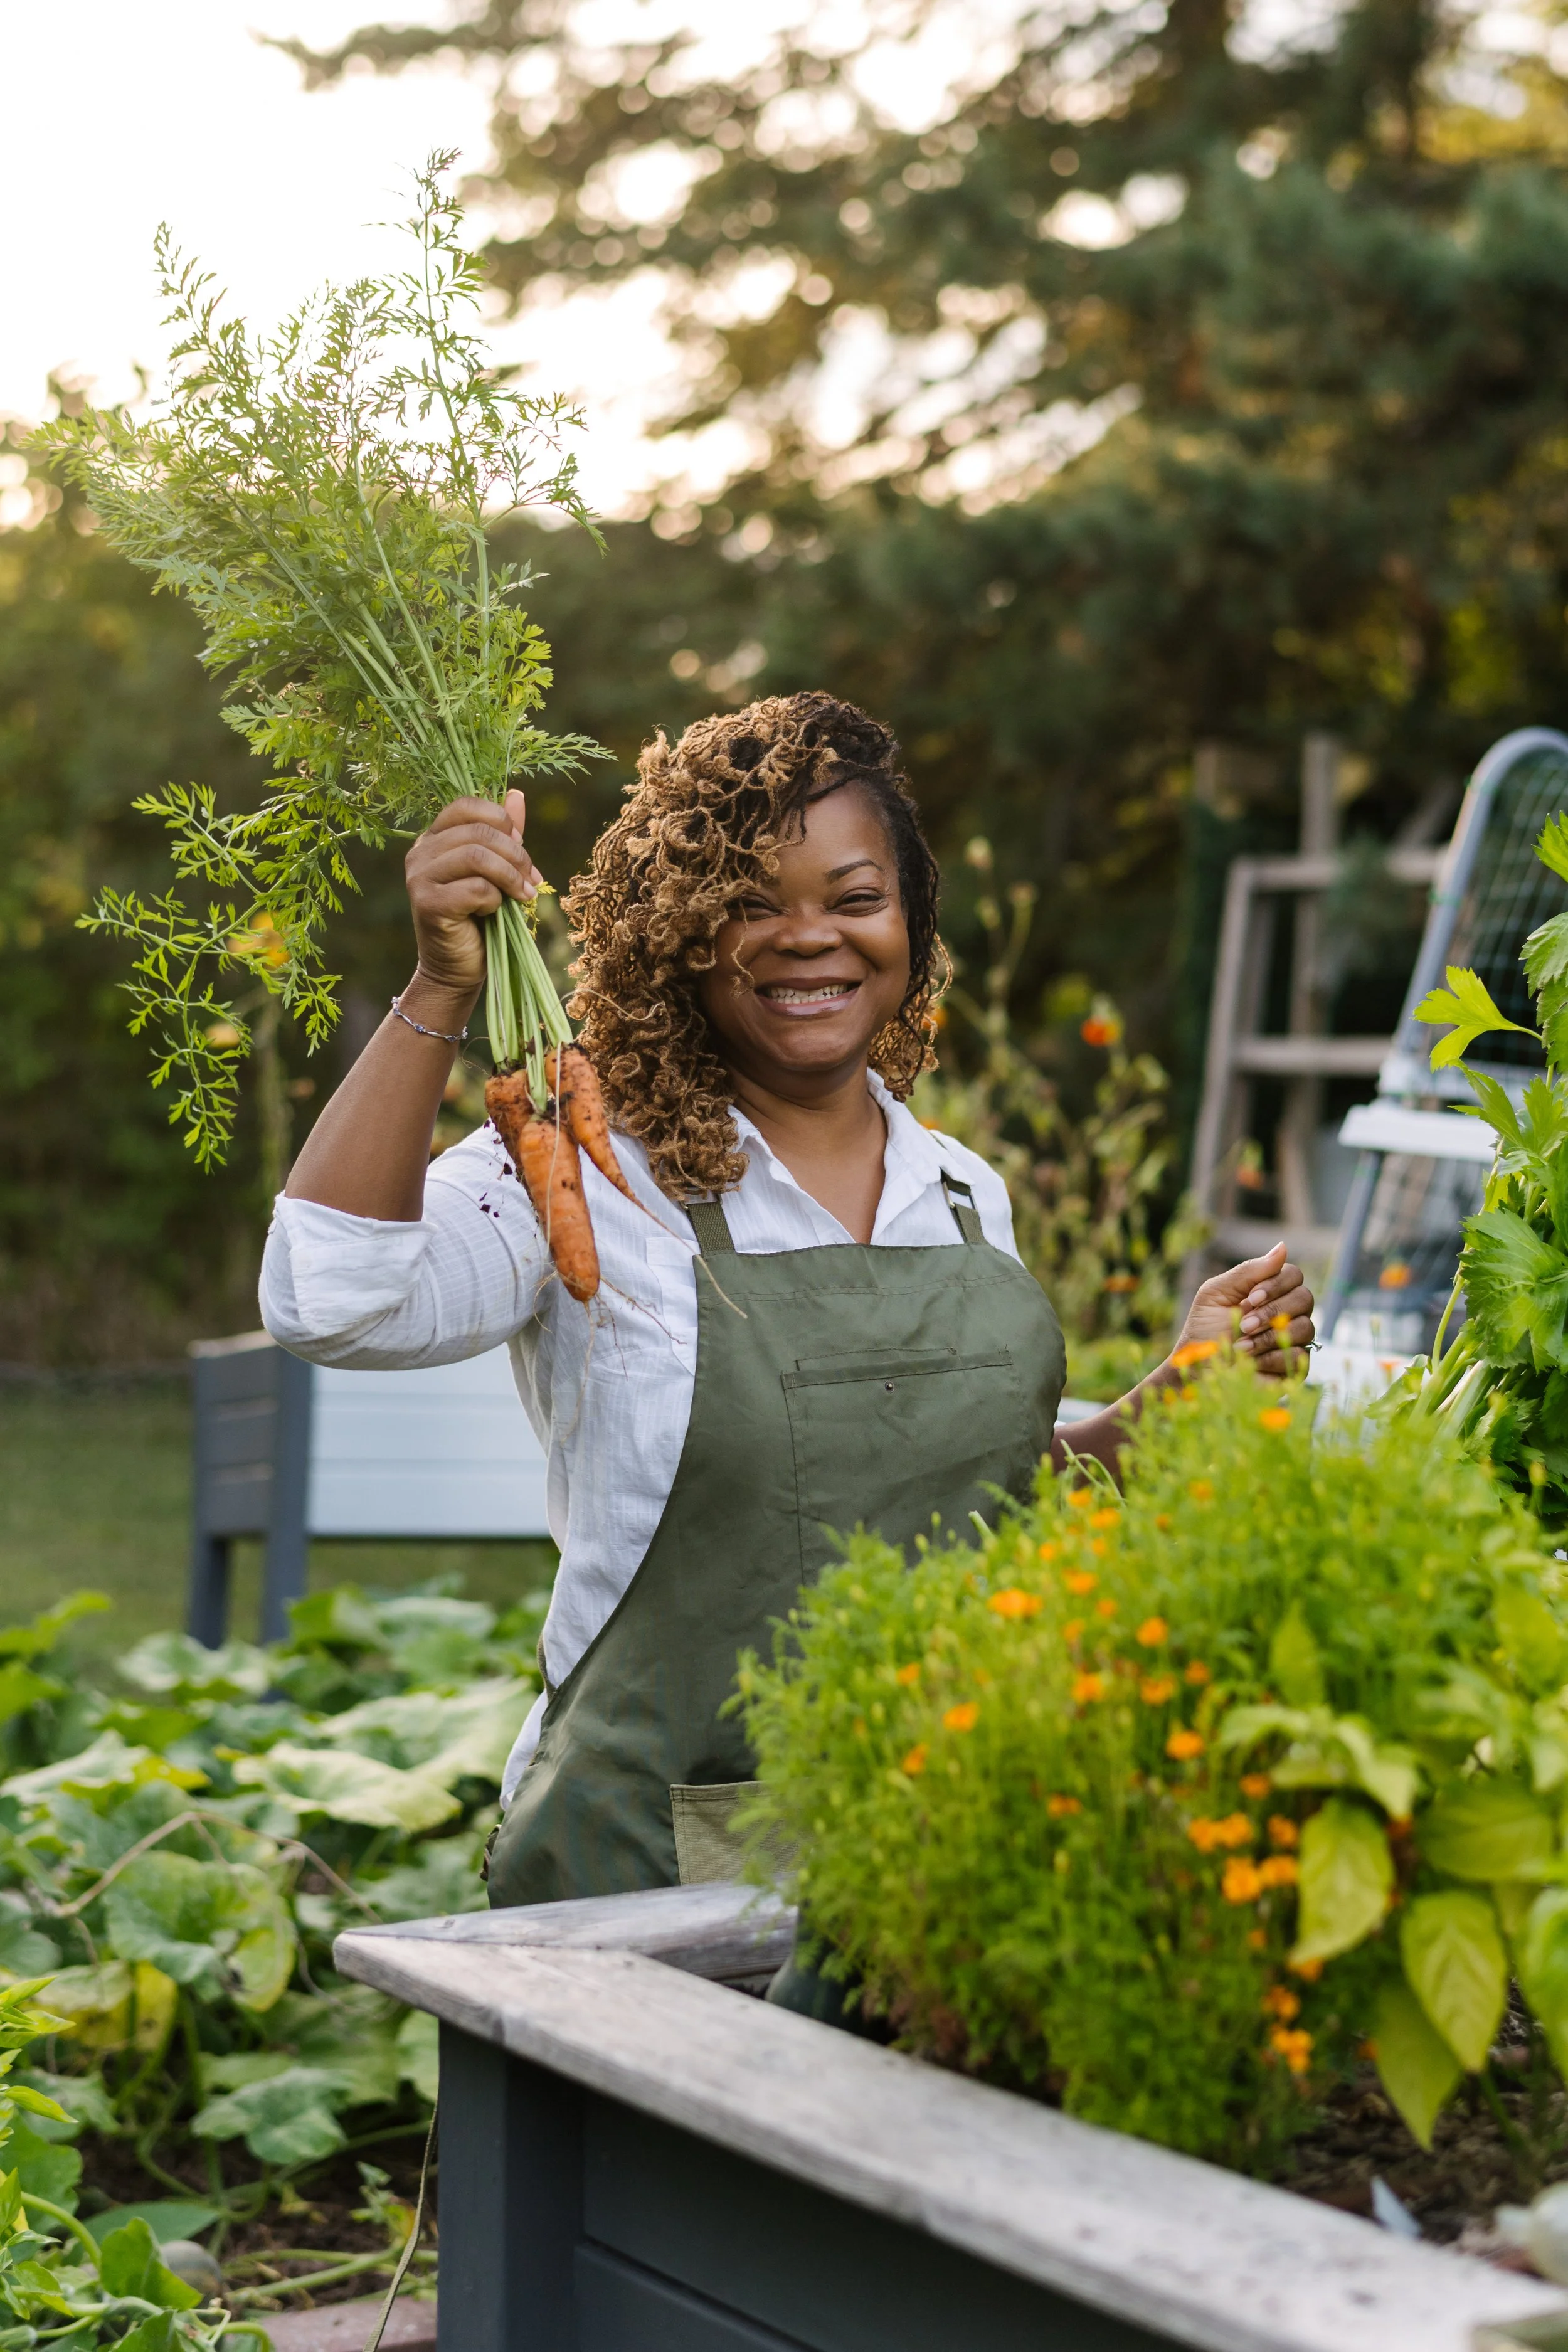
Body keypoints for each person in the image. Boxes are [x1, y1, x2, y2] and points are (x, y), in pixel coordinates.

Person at [260, 691, 1314, 1909]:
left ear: (910, 925)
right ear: (676, 937)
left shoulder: (961, 1195)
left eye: (854, 900)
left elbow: (984, 1513)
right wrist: (437, 991)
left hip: (928, 1859)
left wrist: (1170, 1398)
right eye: (749, 904)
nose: (808, 937)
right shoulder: (588, 1169)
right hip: (638, 1879)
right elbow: (328, 1298)